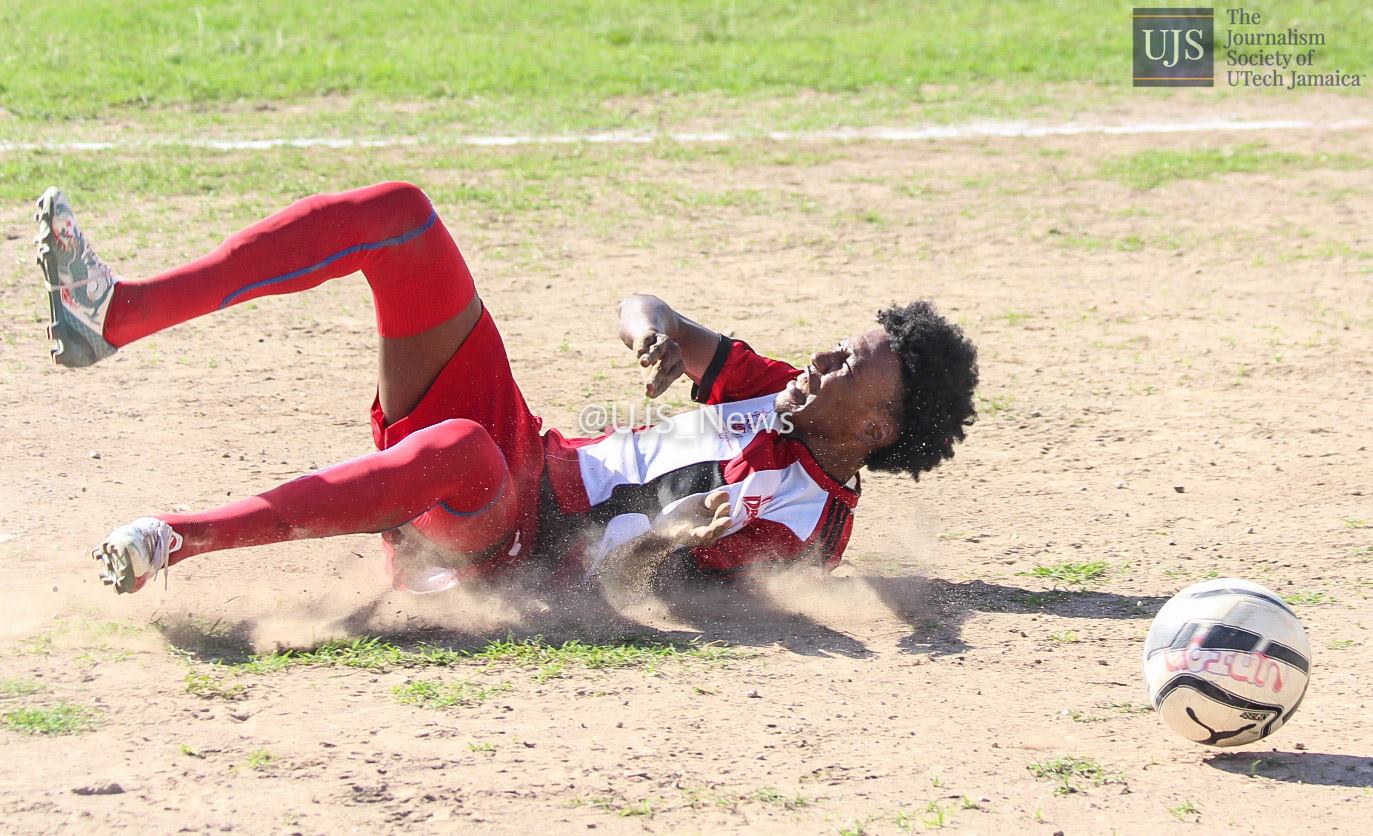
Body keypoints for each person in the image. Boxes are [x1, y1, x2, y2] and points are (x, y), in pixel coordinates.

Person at [34, 181, 979, 596]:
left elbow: (639, 595)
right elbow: (646, 303)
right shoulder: (778, 395)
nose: (820, 362)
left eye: (846, 367)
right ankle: (116, 313)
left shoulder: (801, 526)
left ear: (878, 428)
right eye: (835, 348)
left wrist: (665, 537)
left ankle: (175, 539)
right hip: (520, 455)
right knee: (401, 219)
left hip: (519, 547)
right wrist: (649, 329)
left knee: (460, 452)